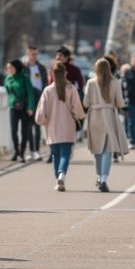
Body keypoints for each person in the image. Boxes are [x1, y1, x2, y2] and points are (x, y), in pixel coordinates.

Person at [35, 62, 85, 192]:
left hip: (52, 127)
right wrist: (79, 116)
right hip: (68, 126)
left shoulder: (48, 90)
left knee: (55, 155)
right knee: (66, 154)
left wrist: (43, 121)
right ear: (65, 74)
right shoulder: (71, 89)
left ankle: (58, 179)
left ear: (52, 74)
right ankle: (62, 175)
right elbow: (77, 109)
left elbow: (41, 112)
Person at [84, 58, 129, 192]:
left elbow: (85, 103)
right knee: (107, 151)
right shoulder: (115, 82)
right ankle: (103, 179)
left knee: (97, 150)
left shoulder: (90, 83)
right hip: (109, 116)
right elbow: (121, 103)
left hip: (95, 117)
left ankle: (98, 177)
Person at [4, 59, 35, 162]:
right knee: (13, 131)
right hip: (13, 107)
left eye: (11, 68)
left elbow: (30, 92)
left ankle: (22, 153)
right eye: (8, 68)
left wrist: (31, 107)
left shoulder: (24, 78)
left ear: (16, 67)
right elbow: (8, 92)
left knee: (24, 131)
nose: (9, 70)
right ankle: (16, 151)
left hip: (24, 108)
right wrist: (12, 100)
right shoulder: (7, 78)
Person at [26, 45, 49, 161]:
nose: (34, 56)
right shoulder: (24, 69)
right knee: (28, 126)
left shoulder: (42, 68)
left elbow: (45, 84)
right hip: (28, 100)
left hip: (39, 99)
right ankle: (31, 150)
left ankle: (37, 151)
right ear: (28, 54)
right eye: (32, 54)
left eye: (36, 54)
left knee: (37, 125)